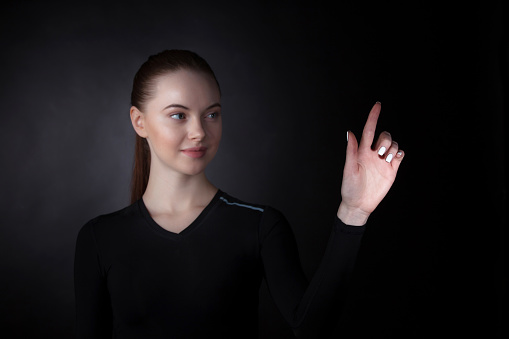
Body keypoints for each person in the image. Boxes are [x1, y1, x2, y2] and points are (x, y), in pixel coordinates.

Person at [74, 49, 404, 338]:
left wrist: (354, 212)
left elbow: (310, 327)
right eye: (178, 115)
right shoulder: (99, 238)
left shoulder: (260, 226)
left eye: (211, 114)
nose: (199, 131)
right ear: (139, 121)